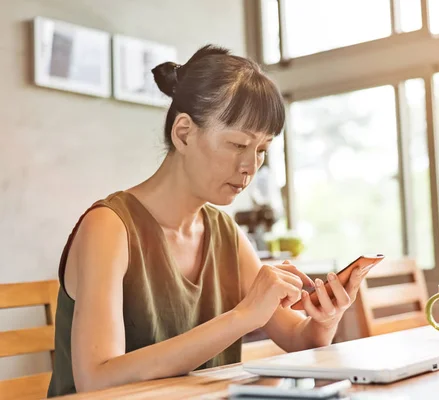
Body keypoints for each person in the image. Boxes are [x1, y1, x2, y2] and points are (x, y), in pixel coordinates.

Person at [47, 44, 372, 397]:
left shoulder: (224, 233)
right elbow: (97, 379)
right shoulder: (109, 227)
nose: (250, 166)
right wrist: (243, 316)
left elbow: (299, 340)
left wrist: (325, 317)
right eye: (237, 145)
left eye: (261, 150)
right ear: (184, 133)